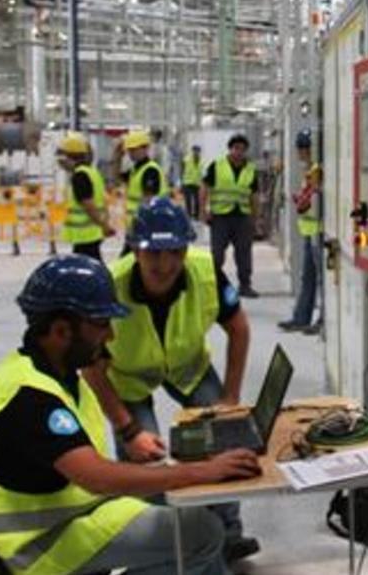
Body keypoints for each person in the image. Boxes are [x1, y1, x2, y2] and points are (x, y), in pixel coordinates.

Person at [0, 255, 261, 575]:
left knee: (193, 527)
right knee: (201, 533)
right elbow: (100, 478)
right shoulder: (30, 399)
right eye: (101, 324)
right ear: (61, 331)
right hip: (36, 550)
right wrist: (203, 471)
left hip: (71, 518)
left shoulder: (51, 374)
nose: (111, 337)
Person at [82, 198, 261, 563]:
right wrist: (128, 429)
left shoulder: (206, 272)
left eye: (175, 253)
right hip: (129, 378)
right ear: (135, 249)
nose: (165, 266)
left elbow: (239, 330)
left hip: (187, 367)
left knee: (225, 441)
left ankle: (227, 535)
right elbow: (92, 367)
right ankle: (161, 548)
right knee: (144, 464)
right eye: (154, 254)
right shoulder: (109, 286)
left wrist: (229, 397)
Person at [200, 133, 260, 298]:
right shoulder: (217, 166)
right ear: (230, 149)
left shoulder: (250, 169)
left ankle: (245, 285)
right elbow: (204, 187)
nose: (239, 152)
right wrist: (203, 210)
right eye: (236, 148)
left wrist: (255, 218)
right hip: (220, 217)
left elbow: (254, 195)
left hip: (242, 217)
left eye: (242, 149)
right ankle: (214, 286)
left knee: (244, 253)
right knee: (217, 253)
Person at [279, 130, 322, 334]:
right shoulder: (311, 170)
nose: (301, 153)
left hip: (320, 232)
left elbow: (316, 200)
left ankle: (323, 321)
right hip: (309, 230)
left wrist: (303, 200)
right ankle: (301, 318)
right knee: (309, 278)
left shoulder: (318, 170)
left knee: (322, 280)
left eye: (303, 148)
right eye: (300, 148)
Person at [57, 132, 115, 261]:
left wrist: (105, 226)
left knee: (89, 270)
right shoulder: (92, 172)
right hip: (92, 234)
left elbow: (89, 205)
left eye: (62, 156)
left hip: (85, 235)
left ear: (70, 156)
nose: (60, 161)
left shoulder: (80, 176)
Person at [120, 129, 169, 256]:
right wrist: (117, 156)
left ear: (145, 148)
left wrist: (138, 225)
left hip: (146, 225)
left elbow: (149, 202)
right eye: (129, 150)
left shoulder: (150, 171)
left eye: (134, 149)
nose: (131, 153)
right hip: (137, 225)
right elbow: (116, 178)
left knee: (128, 261)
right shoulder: (135, 169)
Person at [182, 145, 203, 221]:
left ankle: (196, 216)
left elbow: (202, 173)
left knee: (197, 200)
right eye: (195, 151)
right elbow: (182, 170)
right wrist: (181, 182)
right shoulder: (186, 160)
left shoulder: (201, 161)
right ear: (192, 151)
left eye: (197, 151)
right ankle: (189, 215)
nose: (196, 152)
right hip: (187, 182)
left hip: (197, 184)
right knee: (188, 200)